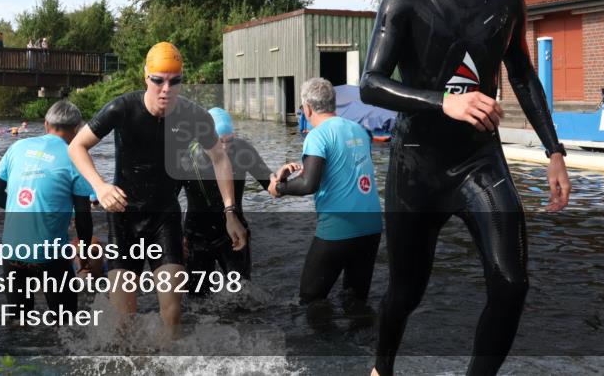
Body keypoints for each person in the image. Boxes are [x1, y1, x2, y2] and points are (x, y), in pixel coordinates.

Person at [360, 0, 571, 376]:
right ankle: (381, 368)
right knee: (406, 292)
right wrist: (444, 102)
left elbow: (523, 76)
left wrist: (554, 151)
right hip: (417, 165)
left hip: (479, 161)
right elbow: (370, 85)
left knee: (512, 284)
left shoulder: (508, 1)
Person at [68, 42, 247, 339]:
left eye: (174, 81)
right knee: (125, 320)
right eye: (158, 80)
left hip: (164, 218)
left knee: (173, 313)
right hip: (123, 216)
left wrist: (230, 211)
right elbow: (77, 146)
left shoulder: (194, 115)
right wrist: (100, 186)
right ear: (146, 77)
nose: (166, 88)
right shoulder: (122, 108)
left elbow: (219, 156)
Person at [268, 78, 382, 307]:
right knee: (356, 300)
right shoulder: (358, 129)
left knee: (310, 300)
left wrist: (279, 187)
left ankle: (322, 341)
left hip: (339, 225)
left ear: (307, 108)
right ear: (333, 103)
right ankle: (361, 340)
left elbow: (308, 184)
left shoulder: (316, 136)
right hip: (372, 226)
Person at [0, 100, 94, 319]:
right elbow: (83, 215)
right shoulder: (76, 157)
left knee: (18, 322)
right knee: (66, 323)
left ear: (46, 124)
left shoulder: (17, 147)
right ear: (76, 130)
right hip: (50, 254)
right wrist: (84, 254)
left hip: (12, 251)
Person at [180, 107, 271, 287]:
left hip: (234, 232)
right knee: (198, 299)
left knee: (242, 294)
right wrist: (177, 234)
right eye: (219, 141)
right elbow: (168, 199)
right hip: (197, 235)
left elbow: (268, 182)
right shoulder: (186, 157)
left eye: (229, 141)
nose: (224, 147)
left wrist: (281, 179)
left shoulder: (243, 150)